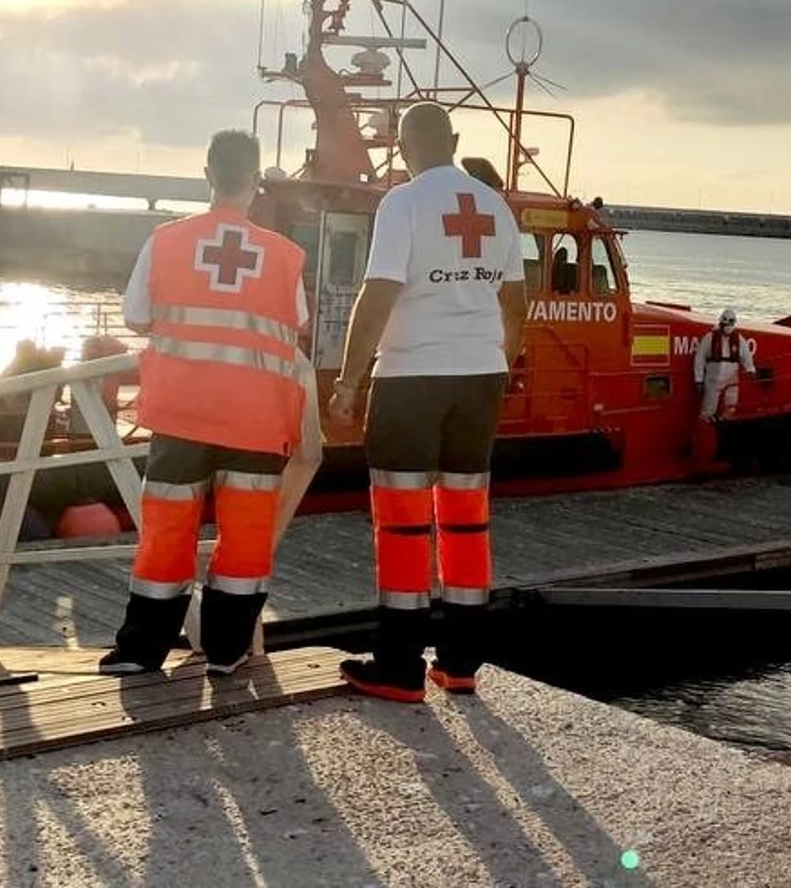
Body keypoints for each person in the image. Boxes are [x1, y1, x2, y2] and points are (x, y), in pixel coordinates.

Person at [328, 102, 526, 702]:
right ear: (455, 139)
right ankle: (461, 662)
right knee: (467, 521)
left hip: (413, 376)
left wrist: (347, 381)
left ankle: (399, 664)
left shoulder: (403, 204)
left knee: (403, 523)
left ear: (404, 148)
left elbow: (378, 293)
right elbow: (515, 304)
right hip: (479, 376)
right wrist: (499, 365)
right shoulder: (494, 206)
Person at [99, 130, 309, 679]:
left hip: (180, 414)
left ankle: (142, 650)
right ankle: (226, 650)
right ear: (258, 181)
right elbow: (297, 325)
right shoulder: (285, 257)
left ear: (207, 174)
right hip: (257, 421)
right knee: (244, 540)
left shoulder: (166, 241)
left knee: (167, 533)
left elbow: (136, 316)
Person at [694, 308, 756, 422]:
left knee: (731, 406)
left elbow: (746, 356)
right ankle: (704, 427)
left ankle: (726, 424)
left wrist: (750, 369)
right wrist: (699, 379)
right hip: (713, 378)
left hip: (732, 378)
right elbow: (700, 358)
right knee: (709, 408)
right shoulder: (709, 338)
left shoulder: (739, 339)